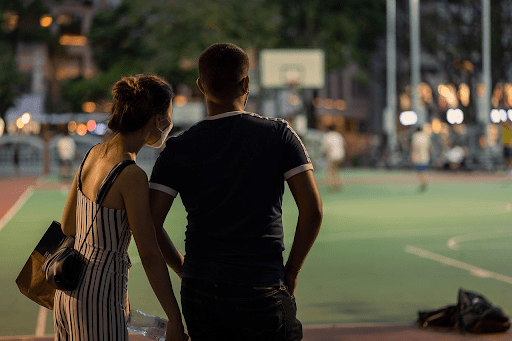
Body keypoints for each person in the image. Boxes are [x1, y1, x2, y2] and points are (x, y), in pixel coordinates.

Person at [149, 43, 323, 341]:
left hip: (200, 290)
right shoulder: (279, 134)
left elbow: (150, 223)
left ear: (201, 86)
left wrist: (183, 268)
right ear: (246, 83)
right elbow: (313, 210)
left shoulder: (177, 148)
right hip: (262, 285)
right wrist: (291, 271)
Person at [56, 74, 188, 341]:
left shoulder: (93, 154)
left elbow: (69, 225)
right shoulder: (131, 175)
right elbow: (149, 255)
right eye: (169, 113)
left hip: (67, 291)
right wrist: (175, 317)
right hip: (99, 299)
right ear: (157, 119)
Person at [321, 124, 346, 190]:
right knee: (336, 169)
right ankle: (338, 183)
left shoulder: (327, 136)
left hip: (333, 155)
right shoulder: (338, 135)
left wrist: (324, 154)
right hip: (341, 154)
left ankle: (331, 185)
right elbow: (344, 144)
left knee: (330, 170)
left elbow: (325, 148)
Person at [410, 126, 432, 192]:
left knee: (420, 172)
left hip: (418, 157)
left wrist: (411, 156)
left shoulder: (416, 136)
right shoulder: (425, 136)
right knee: (422, 171)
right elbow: (430, 148)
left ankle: (424, 182)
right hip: (425, 157)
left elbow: (414, 147)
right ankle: (424, 182)